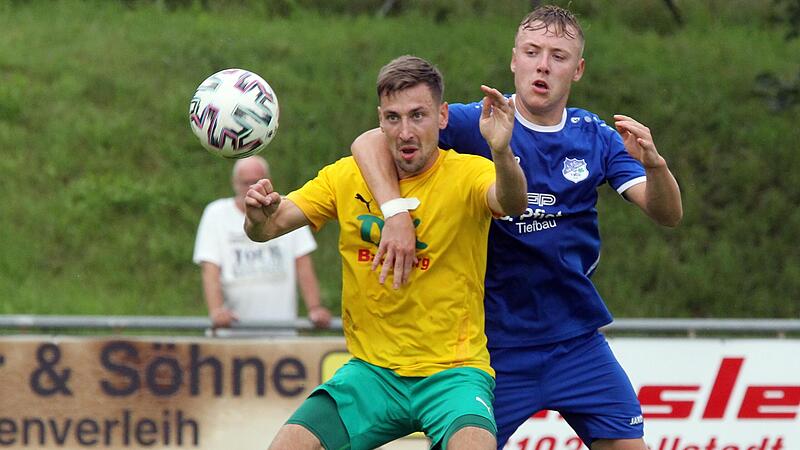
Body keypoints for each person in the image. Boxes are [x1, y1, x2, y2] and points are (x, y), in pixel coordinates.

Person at [350, 5, 683, 450]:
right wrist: (395, 213)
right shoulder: (478, 121)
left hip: (576, 341)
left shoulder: (596, 136)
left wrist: (656, 166)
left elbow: (667, 213)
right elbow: (369, 141)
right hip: (493, 348)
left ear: (578, 69)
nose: (543, 64)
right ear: (514, 60)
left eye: (558, 56)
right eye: (532, 51)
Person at [244, 55, 527, 449]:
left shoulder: (467, 173)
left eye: (418, 116)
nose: (406, 131)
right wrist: (258, 216)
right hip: (371, 374)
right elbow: (269, 227)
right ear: (380, 120)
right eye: (393, 118)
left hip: (453, 373)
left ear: (443, 116)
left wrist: (500, 150)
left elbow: (512, 201)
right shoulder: (345, 176)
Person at [193, 155, 331, 335]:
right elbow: (210, 269)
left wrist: (315, 307)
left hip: (282, 334)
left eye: (256, 182)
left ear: (268, 182)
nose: (251, 189)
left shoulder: (288, 209)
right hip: (232, 334)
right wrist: (217, 311)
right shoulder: (216, 214)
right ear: (234, 183)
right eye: (245, 183)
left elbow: (303, 263)